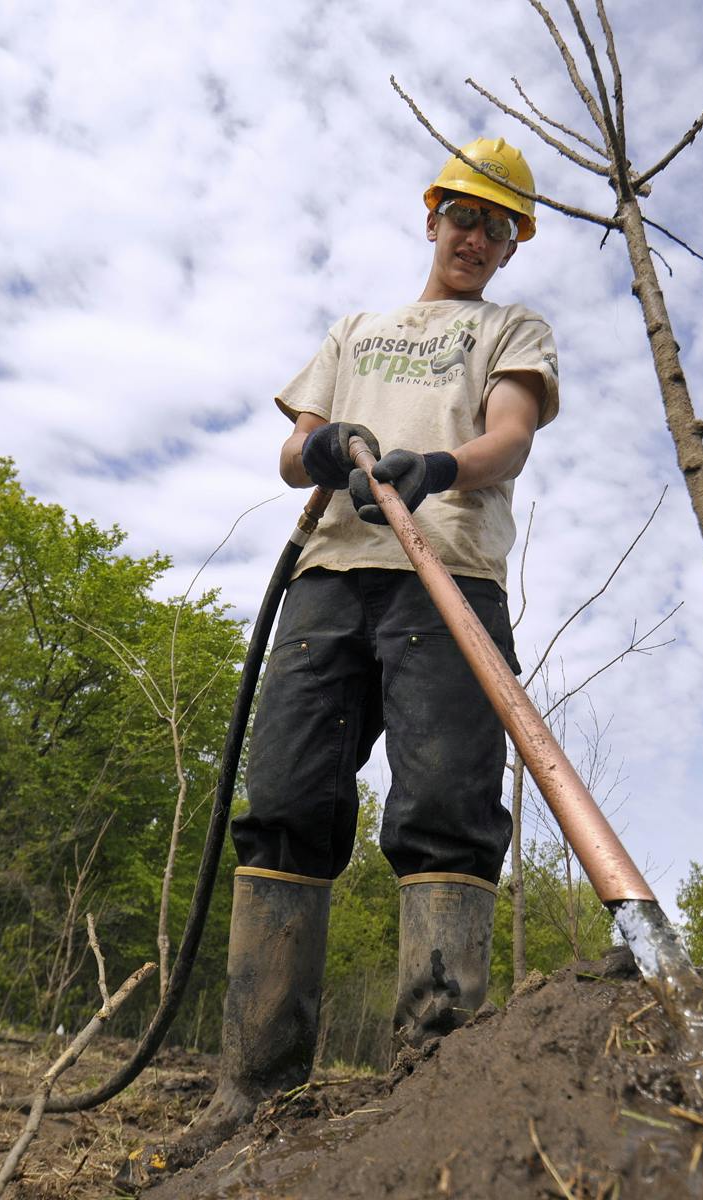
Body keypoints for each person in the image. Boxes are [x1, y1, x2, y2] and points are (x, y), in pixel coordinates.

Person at [119, 136, 559, 1191]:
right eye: (460, 213)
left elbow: (509, 439)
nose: (473, 234)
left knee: (446, 808)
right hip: (328, 578)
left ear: (510, 246)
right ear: (431, 216)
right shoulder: (356, 330)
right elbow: (291, 450)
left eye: (495, 224)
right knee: (285, 802)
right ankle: (252, 1090)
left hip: (447, 576)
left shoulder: (511, 329)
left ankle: (435, 1089)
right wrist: (320, 454)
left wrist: (436, 466)